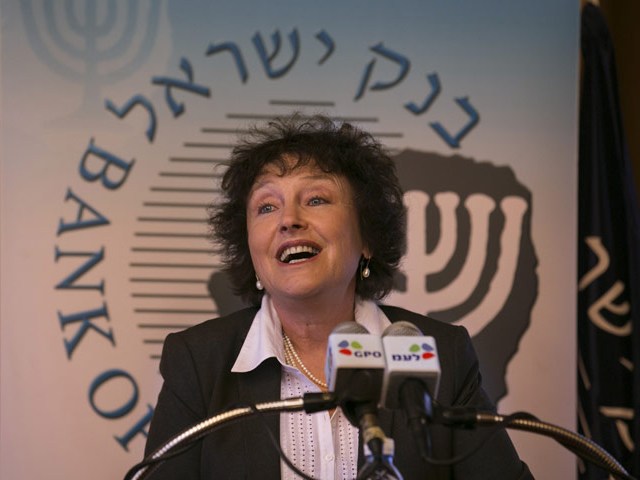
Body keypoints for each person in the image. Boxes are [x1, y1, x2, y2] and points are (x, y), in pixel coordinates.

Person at [143, 114, 533, 479]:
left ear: (367, 238)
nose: (289, 219)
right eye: (266, 206)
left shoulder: (442, 353)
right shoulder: (198, 362)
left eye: (316, 199)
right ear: (249, 248)